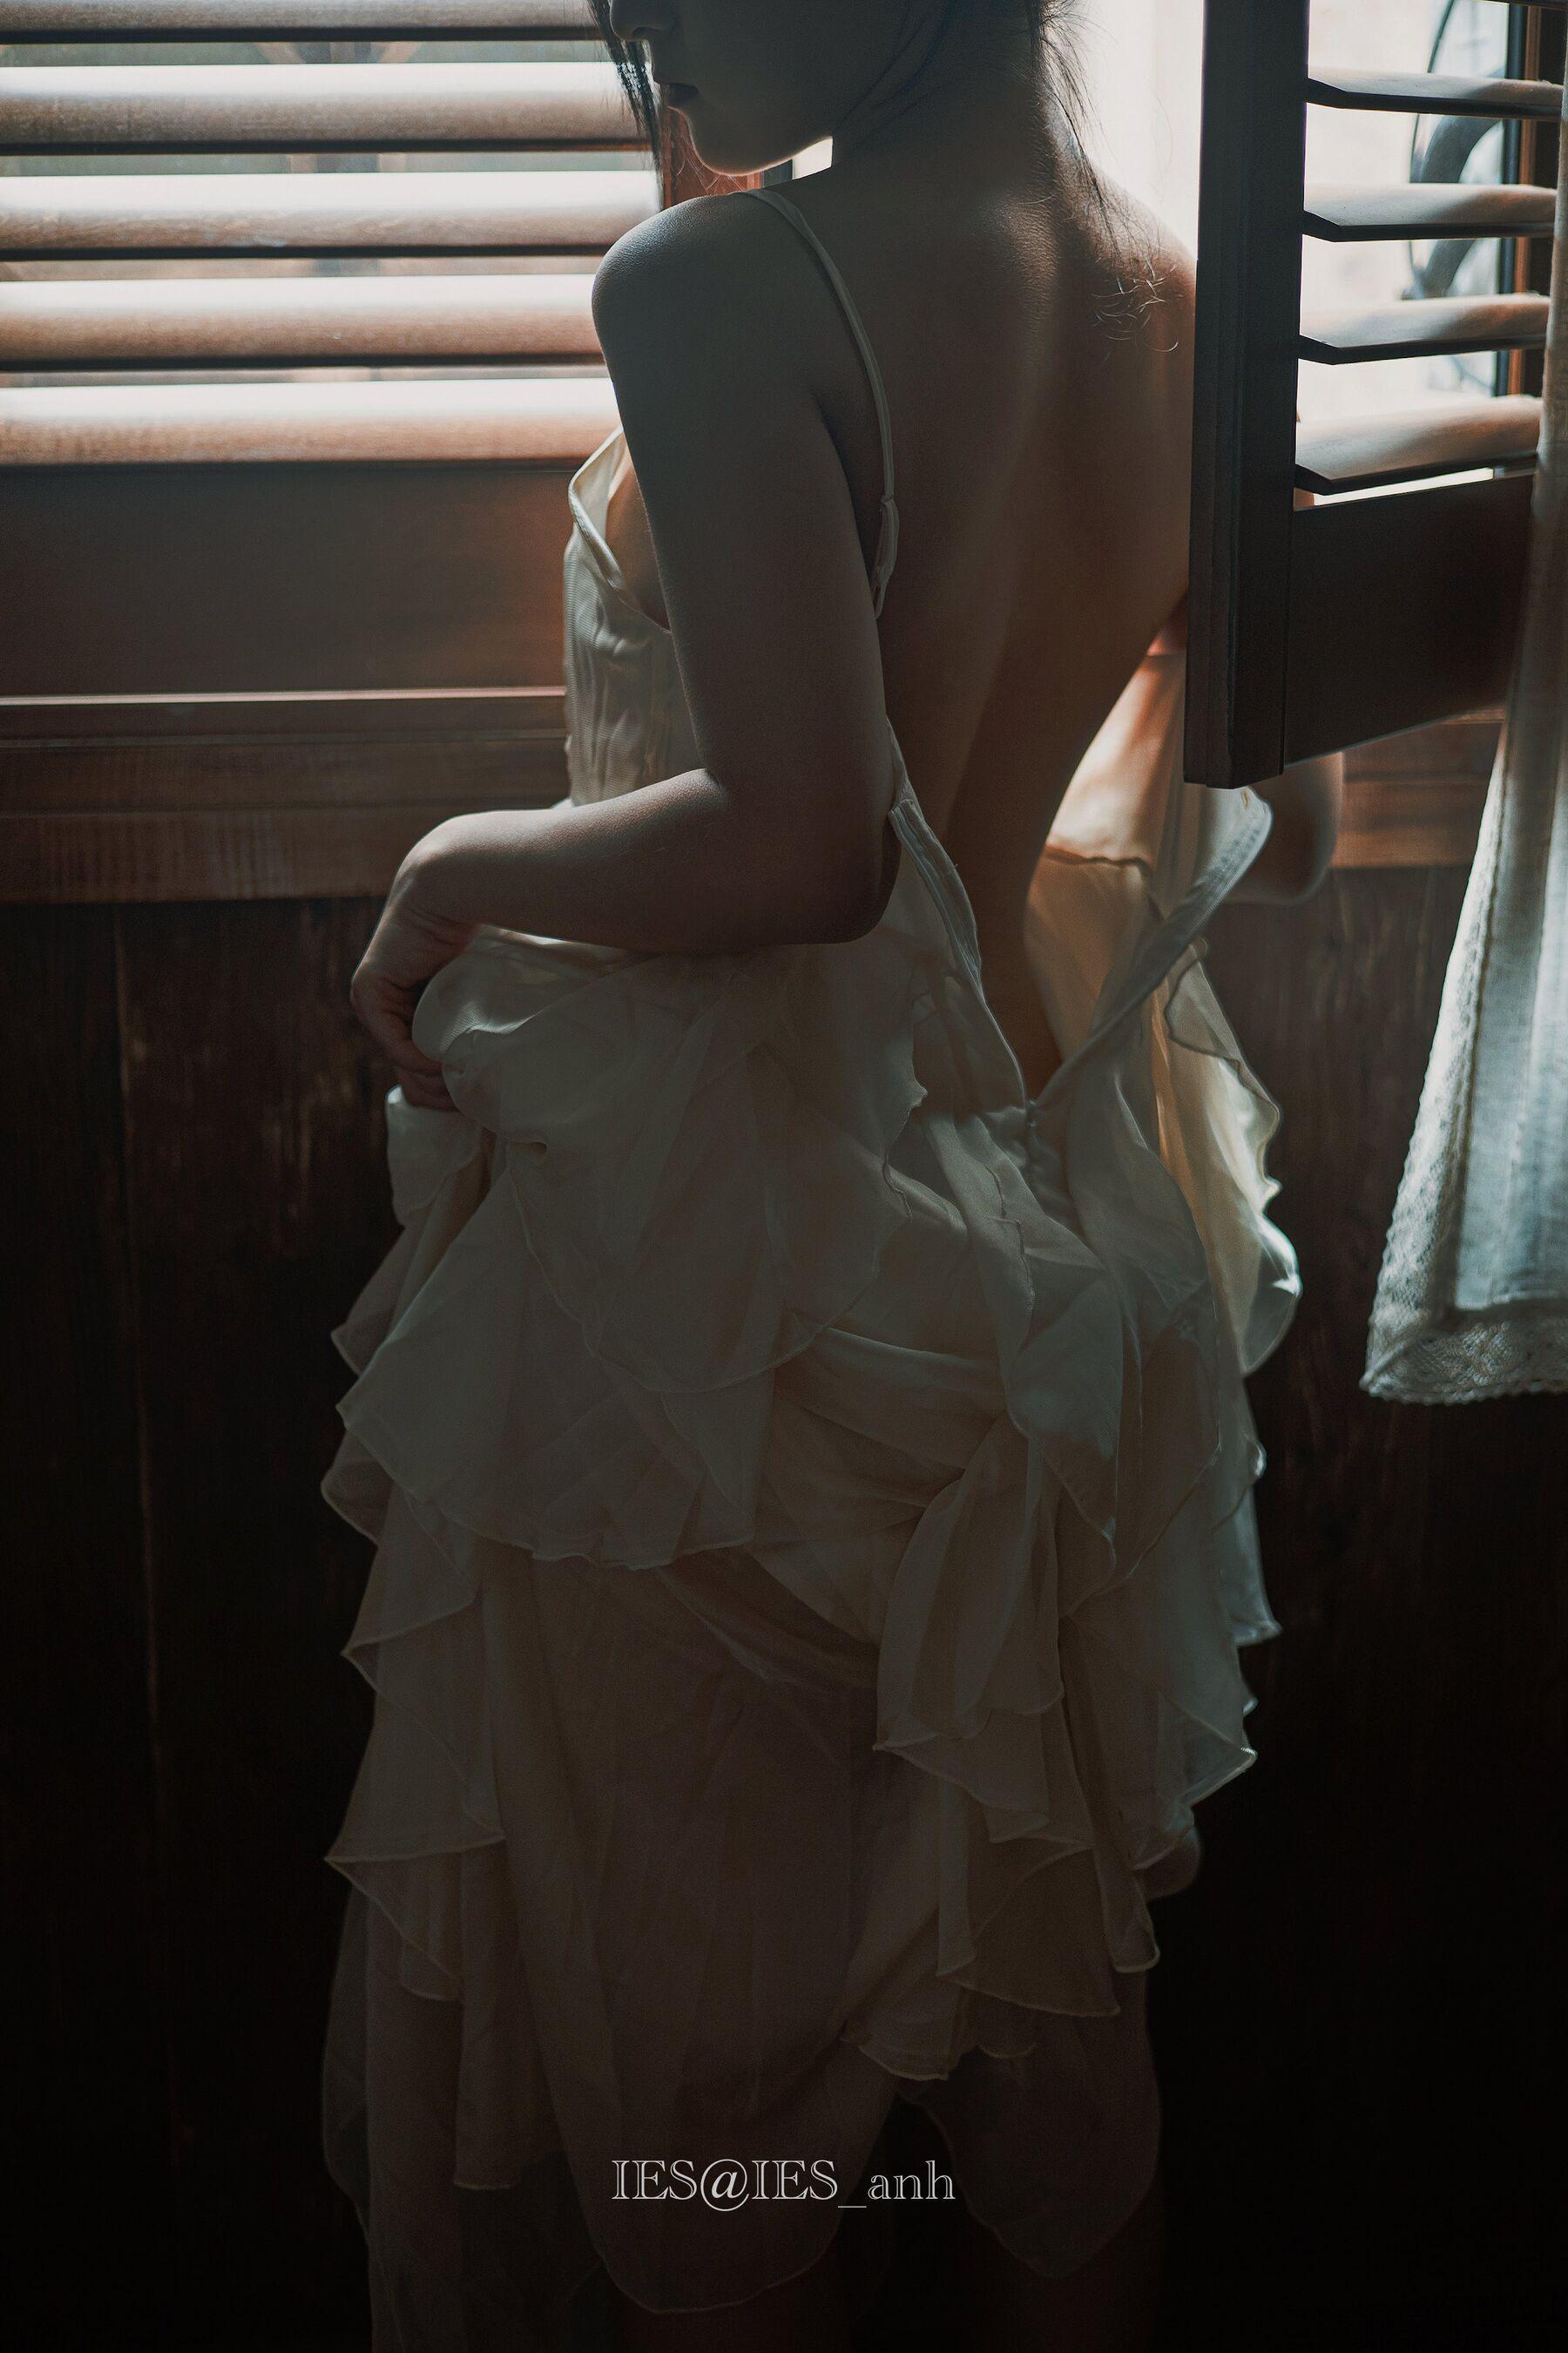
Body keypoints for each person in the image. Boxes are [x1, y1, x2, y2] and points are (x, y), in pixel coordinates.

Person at [323, 5, 1342, 2349]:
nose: (649, 38)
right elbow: (1265, 814)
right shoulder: (1181, 292)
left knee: (718, 2118)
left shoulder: (717, 285)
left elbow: (802, 848)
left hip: (729, 1314)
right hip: (1041, 1259)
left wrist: (448, 870)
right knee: (1032, 2052)